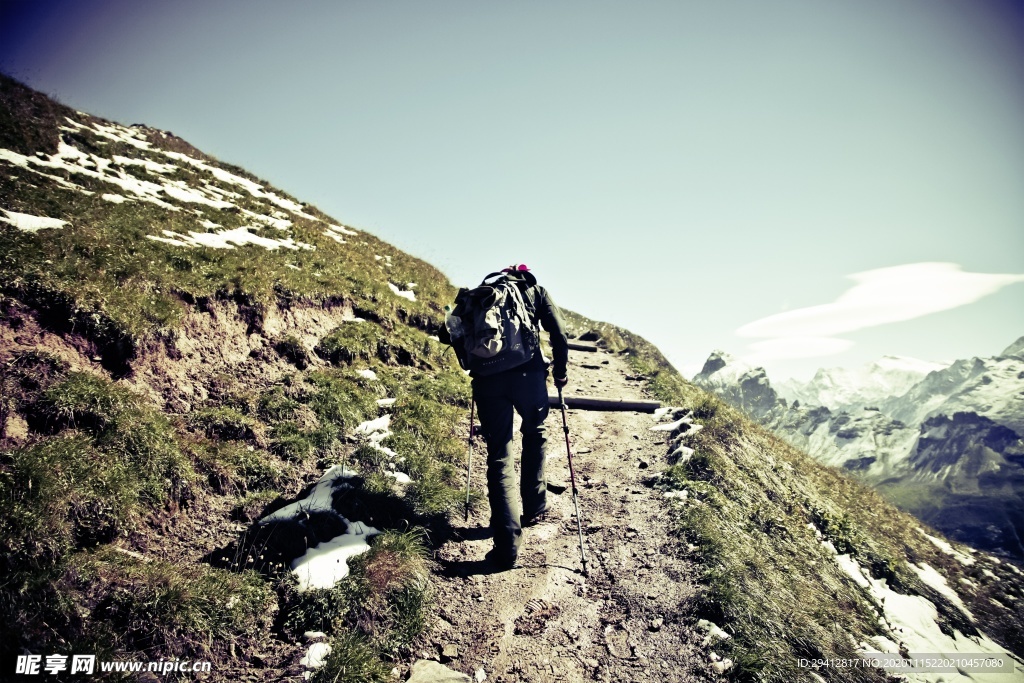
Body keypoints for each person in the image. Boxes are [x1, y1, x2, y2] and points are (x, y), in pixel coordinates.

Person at [470, 264, 569, 569]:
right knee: (535, 432)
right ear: (526, 277)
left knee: (499, 455)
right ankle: (535, 504)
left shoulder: (482, 296)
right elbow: (560, 333)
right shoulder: (535, 292)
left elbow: (451, 333)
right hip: (529, 375)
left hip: (487, 380)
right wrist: (560, 373)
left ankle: (507, 545)